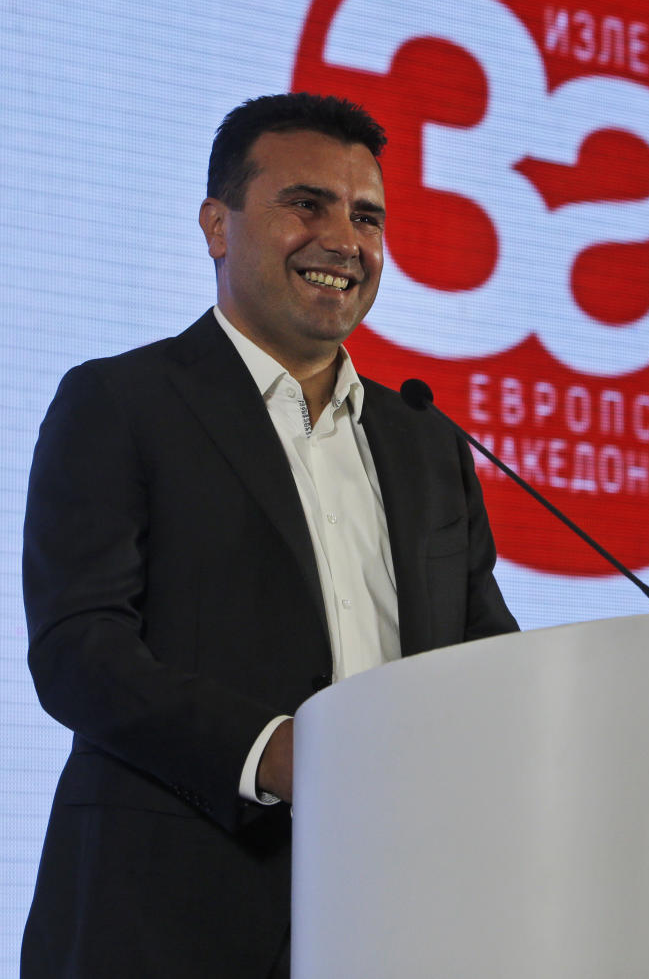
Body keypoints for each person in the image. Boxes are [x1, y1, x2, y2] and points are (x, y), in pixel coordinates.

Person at [21, 92, 518, 977]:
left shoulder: (430, 443)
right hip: (166, 921)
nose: (343, 239)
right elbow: (79, 648)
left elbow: (484, 657)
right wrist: (276, 751)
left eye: (367, 217)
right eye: (306, 204)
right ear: (218, 225)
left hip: (398, 917)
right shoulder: (121, 403)